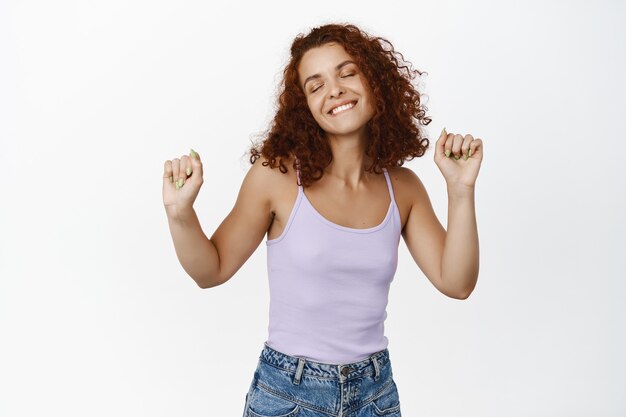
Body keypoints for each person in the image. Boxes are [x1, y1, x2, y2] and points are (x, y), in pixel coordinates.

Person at [163, 23, 482, 417]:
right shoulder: (276, 177)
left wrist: (461, 190)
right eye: (316, 86)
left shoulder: (404, 188)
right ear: (305, 108)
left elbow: (458, 283)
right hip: (288, 395)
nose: (335, 90)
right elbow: (211, 270)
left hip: (375, 395)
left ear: (376, 81)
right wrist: (180, 213)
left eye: (347, 73)